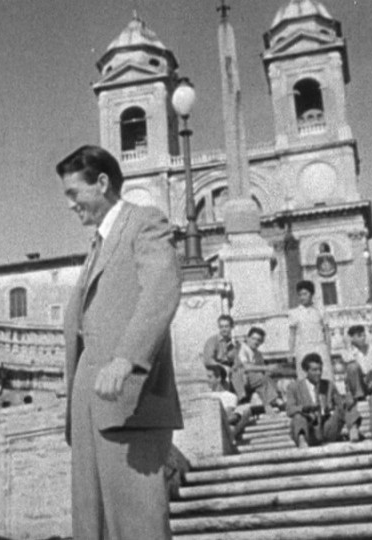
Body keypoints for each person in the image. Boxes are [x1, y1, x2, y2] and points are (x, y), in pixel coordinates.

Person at [57, 145, 182, 540]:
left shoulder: (144, 222)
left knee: (138, 524)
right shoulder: (97, 243)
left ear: (102, 183)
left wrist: (127, 358)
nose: (70, 205)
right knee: (93, 526)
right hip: (89, 402)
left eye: (74, 193)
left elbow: (161, 289)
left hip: (129, 398)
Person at [286, 353, 359, 448]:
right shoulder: (294, 387)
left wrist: (347, 400)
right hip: (309, 429)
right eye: (314, 370)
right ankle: (302, 441)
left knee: (346, 406)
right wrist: (305, 409)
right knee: (298, 417)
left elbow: (341, 405)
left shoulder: (329, 385)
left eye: (320, 369)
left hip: (327, 428)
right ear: (306, 371)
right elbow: (290, 409)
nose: (318, 373)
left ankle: (353, 429)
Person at [231, 327, 282, 414]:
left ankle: (269, 406)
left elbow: (262, 370)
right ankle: (274, 401)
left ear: (261, 342)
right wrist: (266, 368)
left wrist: (269, 372)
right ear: (248, 338)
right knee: (259, 377)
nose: (256, 342)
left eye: (259, 340)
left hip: (253, 379)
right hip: (240, 378)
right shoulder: (242, 348)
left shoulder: (258, 354)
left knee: (264, 378)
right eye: (253, 338)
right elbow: (246, 367)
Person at [289, 280, 331, 379]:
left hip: (320, 347)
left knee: (325, 376)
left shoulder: (320, 311)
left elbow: (327, 332)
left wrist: (329, 350)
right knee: (304, 377)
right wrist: (290, 353)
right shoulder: (294, 313)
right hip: (303, 348)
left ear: (311, 294)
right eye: (300, 295)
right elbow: (292, 335)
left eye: (305, 294)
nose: (302, 297)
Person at [204, 365, 252, 439]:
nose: (207, 380)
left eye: (210, 377)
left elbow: (227, 416)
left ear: (219, 378)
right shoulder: (204, 395)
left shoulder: (229, 396)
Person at [343, 325, 372, 400]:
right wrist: (349, 345)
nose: (363, 338)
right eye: (359, 336)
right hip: (359, 382)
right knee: (352, 366)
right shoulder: (347, 351)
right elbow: (350, 366)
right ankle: (359, 396)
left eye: (364, 336)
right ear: (352, 338)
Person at [331, 360, 362, 442]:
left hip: (348, 408)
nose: (339, 376)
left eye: (342, 373)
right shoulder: (332, 387)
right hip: (338, 411)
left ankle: (353, 429)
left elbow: (353, 397)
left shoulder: (348, 385)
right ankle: (351, 429)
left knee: (351, 409)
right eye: (336, 373)